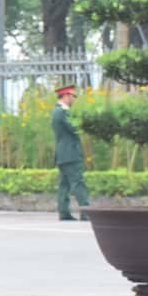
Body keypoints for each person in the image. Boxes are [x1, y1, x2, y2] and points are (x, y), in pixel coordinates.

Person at [53, 85, 90, 221]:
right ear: (66, 96)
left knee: (65, 184)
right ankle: (86, 212)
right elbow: (75, 128)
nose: (74, 99)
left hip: (64, 154)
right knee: (78, 182)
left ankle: (64, 212)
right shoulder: (62, 112)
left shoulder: (58, 111)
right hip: (70, 154)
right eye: (73, 96)